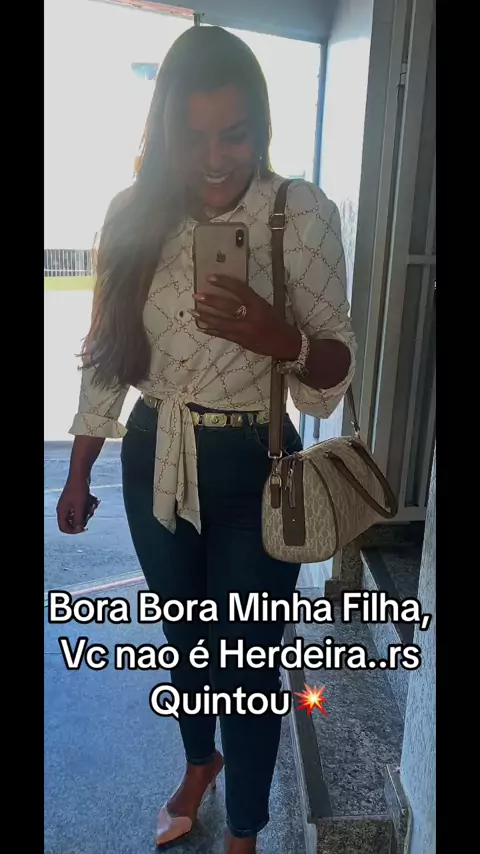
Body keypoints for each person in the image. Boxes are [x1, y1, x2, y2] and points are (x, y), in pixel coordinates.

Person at [56, 25, 356, 854]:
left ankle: (246, 833)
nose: (216, 159)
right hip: (154, 452)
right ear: (165, 130)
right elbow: (108, 353)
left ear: (261, 128)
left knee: (249, 664)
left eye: (235, 134)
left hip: (258, 465)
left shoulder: (301, 213)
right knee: (187, 640)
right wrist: (79, 471)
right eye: (194, 138)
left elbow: (334, 369)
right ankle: (200, 764)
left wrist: (278, 337)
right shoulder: (132, 213)